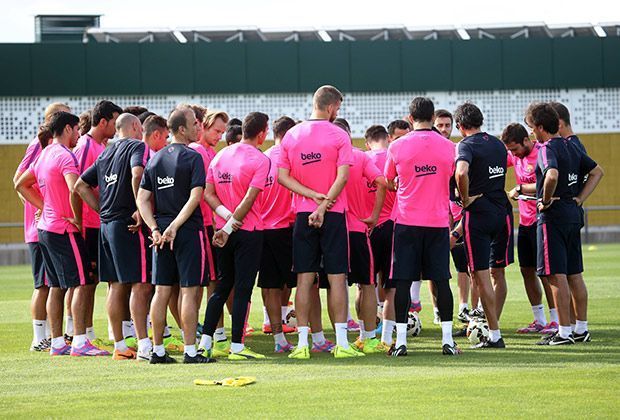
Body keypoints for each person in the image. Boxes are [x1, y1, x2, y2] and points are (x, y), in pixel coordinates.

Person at [278, 85, 361, 360]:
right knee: (337, 278)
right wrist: (323, 205)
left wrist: (311, 198)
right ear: (330, 107)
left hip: (303, 214)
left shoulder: (291, 135)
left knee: (304, 279)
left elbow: (283, 177)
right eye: (338, 107)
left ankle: (302, 345)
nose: (338, 112)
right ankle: (342, 344)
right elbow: (343, 178)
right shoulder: (339, 134)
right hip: (334, 214)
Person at [15, 111, 108, 357]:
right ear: (68, 129)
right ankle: (79, 342)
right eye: (77, 129)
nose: (79, 134)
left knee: (56, 285)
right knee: (81, 283)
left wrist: (43, 206)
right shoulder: (65, 156)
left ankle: (57, 343)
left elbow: (20, 184)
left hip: (44, 228)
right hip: (63, 229)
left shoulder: (44, 154)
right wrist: (77, 219)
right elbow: (75, 189)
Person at [137, 107, 214, 364]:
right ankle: (191, 352)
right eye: (194, 123)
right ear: (182, 129)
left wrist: (155, 228)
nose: (198, 127)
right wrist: (175, 226)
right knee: (189, 292)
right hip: (187, 230)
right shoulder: (192, 157)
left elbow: (142, 199)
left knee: (161, 291)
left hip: (162, 233)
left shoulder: (155, 159)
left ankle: (157, 351)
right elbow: (196, 196)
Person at [75, 113, 154, 361]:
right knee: (140, 284)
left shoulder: (105, 152)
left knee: (116, 284)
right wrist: (140, 208)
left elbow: (80, 185)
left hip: (106, 225)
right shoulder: (136, 146)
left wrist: (101, 210)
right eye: (140, 128)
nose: (142, 133)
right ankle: (144, 345)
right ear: (133, 127)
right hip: (127, 223)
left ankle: (119, 345)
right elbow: (137, 173)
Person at [385, 97, 460, 356]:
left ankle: (402, 342)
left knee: (403, 282)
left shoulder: (396, 146)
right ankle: (448, 341)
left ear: (410, 117)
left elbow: (388, 180)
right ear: (432, 117)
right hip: (438, 222)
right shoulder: (449, 147)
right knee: (442, 281)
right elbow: (451, 175)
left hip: (406, 222)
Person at [525, 103, 603, 345]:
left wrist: (546, 200)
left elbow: (552, 174)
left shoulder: (546, 148)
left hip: (554, 216)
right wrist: (579, 198)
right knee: (574, 274)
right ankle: (581, 328)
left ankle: (564, 332)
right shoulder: (571, 146)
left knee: (555, 276)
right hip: (571, 211)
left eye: (531, 128)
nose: (531, 133)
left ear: (540, 127)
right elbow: (597, 172)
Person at [200, 112, 271, 360]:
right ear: (262, 133)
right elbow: (250, 200)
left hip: (222, 232)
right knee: (242, 289)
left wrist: (224, 220)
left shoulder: (219, 155)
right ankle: (237, 347)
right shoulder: (261, 160)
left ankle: (206, 341)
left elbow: (208, 194)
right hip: (247, 232)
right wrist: (231, 225)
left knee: (221, 286)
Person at [14, 102, 71, 351]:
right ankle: (39, 337)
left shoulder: (56, 148)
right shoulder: (39, 146)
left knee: (55, 283)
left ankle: (55, 334)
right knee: (44, 283)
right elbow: (19, 181)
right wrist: (42, 204)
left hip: (48, 224)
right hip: (39, 228)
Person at [453, 102, 509, 349]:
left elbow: (461, 173)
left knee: (479, 273)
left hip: (478, 215)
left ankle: (494, 335)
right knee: (499, 272)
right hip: (503, 212)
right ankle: (490, 326)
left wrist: (465, 199)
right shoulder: (497, 143)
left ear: (460, 126)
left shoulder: (464, 145)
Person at [501, 123, 558, 335]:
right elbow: (496, 161)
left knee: (546, 273)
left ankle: (556, 319)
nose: (513, 154)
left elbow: (546, 182)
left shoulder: (542, 154)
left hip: (542, 220)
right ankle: (539, 319)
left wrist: (521, 188)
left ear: (526, 141)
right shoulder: (515, 155)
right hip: (524, 222)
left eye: (515, 149)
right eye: (510, 150)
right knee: (527, 271)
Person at [73, 100, 123, 343]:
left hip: (100, 225)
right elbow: (78, 187)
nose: (116, 127)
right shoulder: (85, 145)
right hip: (90, 225)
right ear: (103, 121)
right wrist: (84, 217)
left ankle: (89, 332)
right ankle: (81, 334)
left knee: (97, 281)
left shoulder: (102, 147)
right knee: (86, 282)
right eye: (114, 122)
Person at [340, 122, 388, 354]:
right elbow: (382, 182)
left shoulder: (327, 159)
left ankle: (331, 339)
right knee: (366, 284)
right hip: (357, 230)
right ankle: (367, 337)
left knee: (331, 286)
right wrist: (374, 216)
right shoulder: (359, 156)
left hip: (331, 230)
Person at [258, 116, 298, 352]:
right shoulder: (290, 159)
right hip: (286, 228)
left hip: (262, 230)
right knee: (299, 283)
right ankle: (307, 335)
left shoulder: (262, 159)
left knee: (270, 285)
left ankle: (278, 337)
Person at [434, 109, 472, 330]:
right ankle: (438, 309)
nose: (444, 129)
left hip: (457, 219)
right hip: (435, 219)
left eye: (447, 125)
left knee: (463, 267)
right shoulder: (430, 150)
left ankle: (463, 307)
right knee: (435, 270)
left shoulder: (458, 151)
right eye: (440, 125)